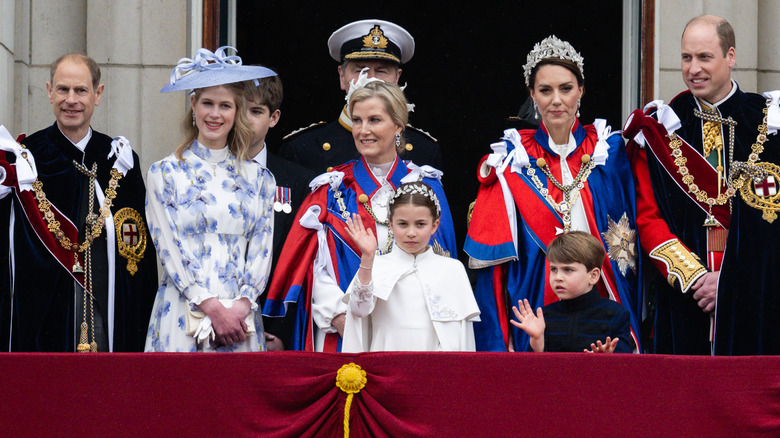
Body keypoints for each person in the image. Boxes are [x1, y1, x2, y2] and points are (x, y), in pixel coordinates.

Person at [465, 36, 643, 353]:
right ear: (533, 95)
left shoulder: (607, 150)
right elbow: (493, 264)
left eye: (566, 88)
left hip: (601, 300)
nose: (556, 100)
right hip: (535, 298)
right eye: (545, 90)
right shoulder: (511, 159)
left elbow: (627, 238)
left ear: (581, 91)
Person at [263, 74, 457, 352]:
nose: (363, 130)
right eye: (357, 120)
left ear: (398, 127)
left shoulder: (427, 187)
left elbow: (442, 266)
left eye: (374, 120)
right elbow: (312, 269)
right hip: (343, 334)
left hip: (412, 335)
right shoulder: (330, 190)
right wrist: (338, 315)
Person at [622, 15, 780, 355]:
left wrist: (729, 280)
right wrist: (695, 278)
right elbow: (648, 219)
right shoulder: (659, 130)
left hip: (757, 295)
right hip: (686, 299)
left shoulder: (770, 122)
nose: (694, 69)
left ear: (731, 56)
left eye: (704, 57)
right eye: (686, 58)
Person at [0, 54, 158, 352]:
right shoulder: (24, 159)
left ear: (97, 94)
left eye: (81, 90)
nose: (71, 100)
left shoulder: (120, 161)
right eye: (62, 89)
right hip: (44, 321)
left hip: (107, 313)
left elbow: (140, 254)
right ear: (49, 91)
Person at [144, 47, 276, 352]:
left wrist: (241, 306)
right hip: (182, 312)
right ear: (193, 105)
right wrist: (212, 307)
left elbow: (261, 248)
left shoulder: (259, 179)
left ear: (237, 110)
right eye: (207, 103)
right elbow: (168, 247)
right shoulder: (164, 173)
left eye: (225, 105)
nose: (215, 114)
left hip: (240, 320)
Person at [278, 19, 442, 174]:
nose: (370, 80)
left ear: (397, 78)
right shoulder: (302, 149)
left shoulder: (424, 150)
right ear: (342, 77)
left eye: (381, 71)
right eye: (360, 70)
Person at [341, 182, 480, 352]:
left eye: (420, 224)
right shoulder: (376, 266)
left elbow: (461, 338)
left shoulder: (452, 269)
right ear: (391, 225)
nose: (411, 232)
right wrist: (367, 259)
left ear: (434, 225)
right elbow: (358, 310)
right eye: (403, 224)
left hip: (435, 369)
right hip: (386, 366)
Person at [243, 71, 317, 350]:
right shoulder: (206, 174)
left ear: (273, 118)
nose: (244, 119)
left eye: (255, 111)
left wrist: (282, 331)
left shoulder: (298, 181)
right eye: (237, 108)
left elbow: (302, 260)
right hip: (214, 322)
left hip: (274, 329)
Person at [511, 231, 633, 353]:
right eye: (553, 269)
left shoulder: (617, 314)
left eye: (568, 270)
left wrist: (609, 359)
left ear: (593, 276)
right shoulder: (543, 317)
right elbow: (533, 369)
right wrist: (537, 340)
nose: (558, 277)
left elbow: (627, 365)